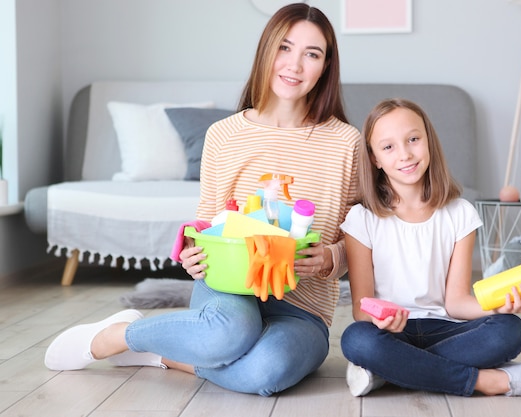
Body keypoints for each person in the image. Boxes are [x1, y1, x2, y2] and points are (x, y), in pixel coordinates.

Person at [44, 3, 360, 397]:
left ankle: (165, 353)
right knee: (226, 335)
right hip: (228, 291)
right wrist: (194, 251)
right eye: (284, 47)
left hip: (302, 308)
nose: (294, 64)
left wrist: (333, 257)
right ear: (266, 52)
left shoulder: (346, 143)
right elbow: (208, 224)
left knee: (265, 372)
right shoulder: (225, 135)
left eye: (311, 54)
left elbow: (363, 236)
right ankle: (118, 334)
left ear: (326, 67)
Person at [339, 98, 521, 398]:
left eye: (413, 139)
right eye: (388, 147)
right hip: (390, 332)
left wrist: (499, 306)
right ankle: (487, 381)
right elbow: (362, 308)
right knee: (358, 340)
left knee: (510, 330)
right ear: (374, 159)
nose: (406, 154)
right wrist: (381, 321)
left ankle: (390, 371)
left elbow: (456, 302)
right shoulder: (362, 219)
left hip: (445, 328)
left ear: (429, 141)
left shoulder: (459, 213)